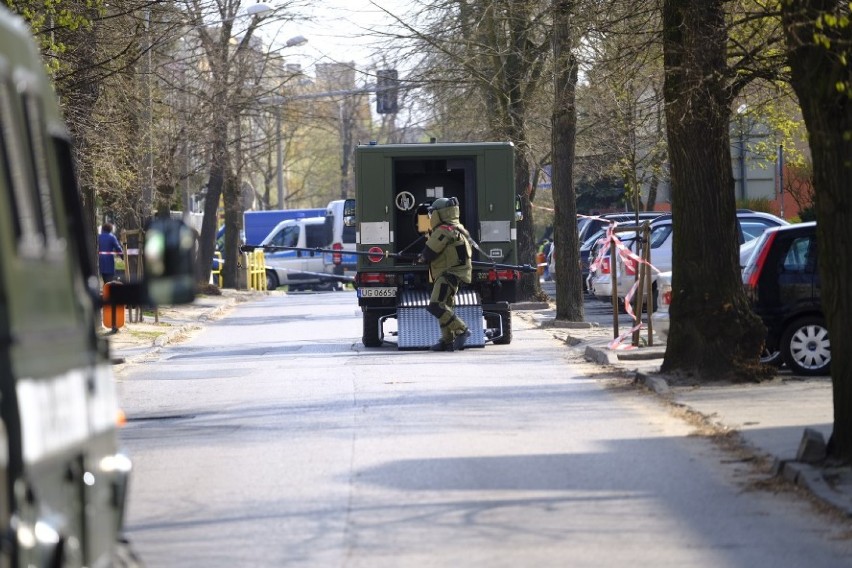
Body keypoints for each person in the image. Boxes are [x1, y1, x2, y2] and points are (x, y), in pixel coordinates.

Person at [417, 197, 473, 352]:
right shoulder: (459, 228)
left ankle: (462, 329)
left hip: (448, 274)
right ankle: (447, 340)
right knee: (445, 306)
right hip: (454, 274)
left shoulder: (444, 231)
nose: (430, 216)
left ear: (439, 214)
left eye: (432, 213)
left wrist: (420, 258)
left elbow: (430, 252)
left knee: (436, 306)